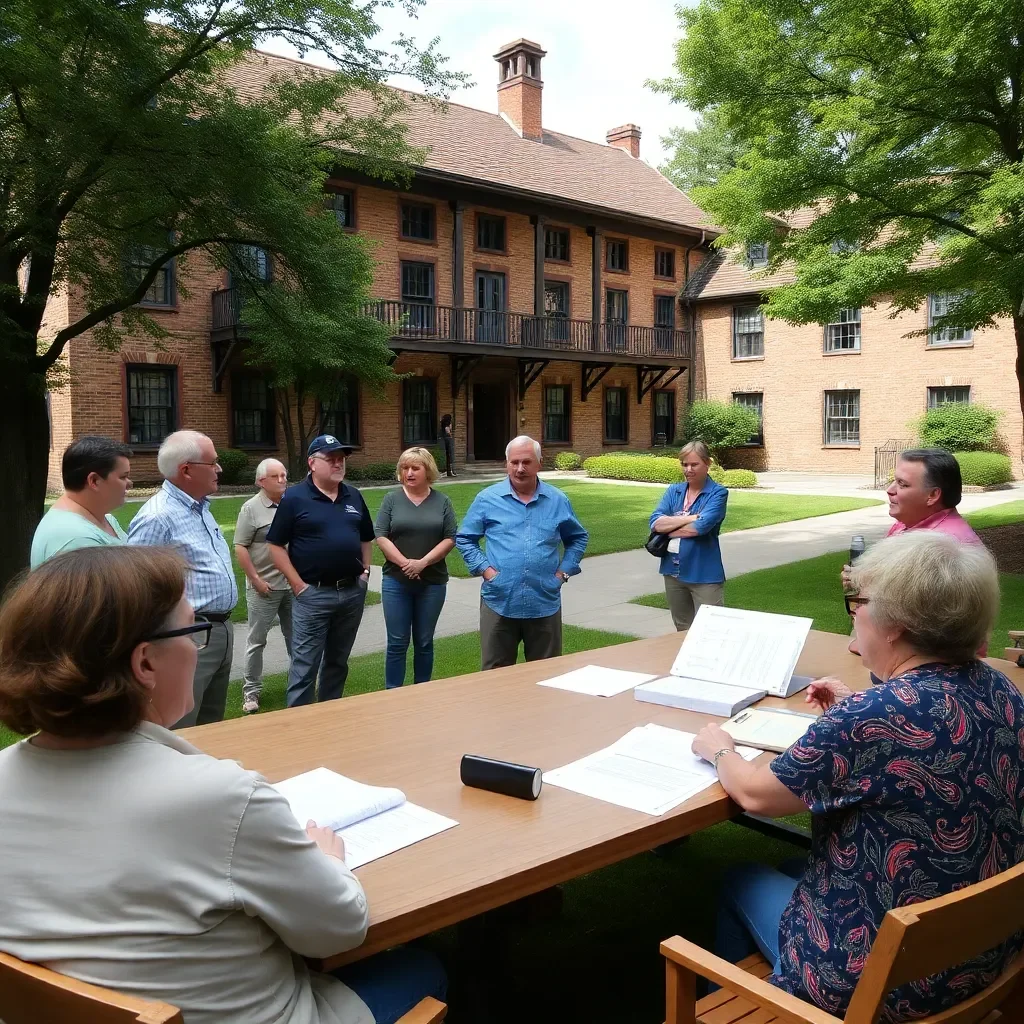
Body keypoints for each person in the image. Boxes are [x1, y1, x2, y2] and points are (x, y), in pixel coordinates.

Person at [0, 546, 447, 1024]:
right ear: (145, 664)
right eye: (194, 629)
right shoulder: (222, 799)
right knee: (420, 966)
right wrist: (328, 861)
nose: (198, 647)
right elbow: (338, 930)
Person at [691, 532, 1024, 1021]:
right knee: (787, 869)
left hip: (878, 982)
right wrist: (854, 709)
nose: (855, 613)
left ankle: (773, 1000)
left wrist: (719, 749)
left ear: (897, 623)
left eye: (858, 602)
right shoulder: (1002, 688)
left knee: (739, 876)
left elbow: (755, 794)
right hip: (981, 953)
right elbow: (928, 741)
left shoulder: (874, 716)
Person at [127, 430, 236, 728]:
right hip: (187, 635)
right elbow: (136, 587)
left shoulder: (201, 508)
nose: (219, 469)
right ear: (186, 470)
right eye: (213, 463)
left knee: (213, 726)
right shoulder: (157, 517)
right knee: (181, 726)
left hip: (219, 629)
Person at [456, 435, 588, 670]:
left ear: (539, 462)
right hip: (499, 599)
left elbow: (577, 538)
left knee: (546, 674)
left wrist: (563, 573)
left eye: (526, 462)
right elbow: (466, 538)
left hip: (544, 600)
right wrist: (486, 572)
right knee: (496, 675)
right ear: (506, 463)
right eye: (514, 462)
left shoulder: (558, 500)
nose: (519, 469)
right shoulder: (487, 499)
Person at [267, 435, 374, 707]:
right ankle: (299, 729)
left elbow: (365, 537)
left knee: (338, 662)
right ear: (312, 463)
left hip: (351, 592)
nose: (338, 464)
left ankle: (330, 718)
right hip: (313, 594)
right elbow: (275, 545)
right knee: (305, 666)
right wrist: (297, 585)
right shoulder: (294, 497)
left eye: (341, 459)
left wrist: (364, 573)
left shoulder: (354, 496)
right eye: (331, 459)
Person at [845, 447, 980, 654]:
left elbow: (917, 626)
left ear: (933, 495)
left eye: (902, 484)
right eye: (894, 481)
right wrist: (862, 581)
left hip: (926, 666)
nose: (890, 490)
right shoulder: (905, 526)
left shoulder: (945, 548)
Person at [374, 448, 457, 689]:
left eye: (415, 468)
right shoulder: (391, 499)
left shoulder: (442, 501)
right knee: (397, 641)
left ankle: (422, 691)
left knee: (424, 641)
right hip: (396, 582)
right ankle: (393, 693)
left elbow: (450, 537)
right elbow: (380, 535)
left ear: (427, 470)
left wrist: (422, 563)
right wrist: (405, 563)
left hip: (432, 582)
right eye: (405, 468)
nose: (409, 473)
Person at [648, 440, 729, 630]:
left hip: (704, 573)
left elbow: (698, 528)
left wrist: (669, 527)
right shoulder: (673, 491)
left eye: (694, 464)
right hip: (672, 571)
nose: (688, 469)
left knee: (711, 629)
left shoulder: (718, 494)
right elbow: (655, 523)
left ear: (707, 463)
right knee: (682, 628)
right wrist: (691, 517)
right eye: (685, 464)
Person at [235, 458, 292, 714]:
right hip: (264, 587)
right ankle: (251, 693)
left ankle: (299, 682)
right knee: (257, 641)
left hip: (293, 585)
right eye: (276, 476)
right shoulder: (251, 508)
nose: (282, 480)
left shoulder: (292, 504)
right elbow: (240, 547)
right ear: (261, 481)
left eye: (284, 475)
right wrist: (256, 580)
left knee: (298, 639)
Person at [30, 436, 133, 567]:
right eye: (123, 477)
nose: (129, 483)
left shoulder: (103, 517)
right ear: (94, 481)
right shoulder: (76, 539)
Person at [439, 413, 456, 478]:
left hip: (443, 439)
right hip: (448, 439)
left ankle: (447, 471)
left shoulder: (442, 424)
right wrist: (450, 435)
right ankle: (451, 471)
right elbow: (447, 430)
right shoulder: (447, 424)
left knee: (446, 455)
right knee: (451, 455)